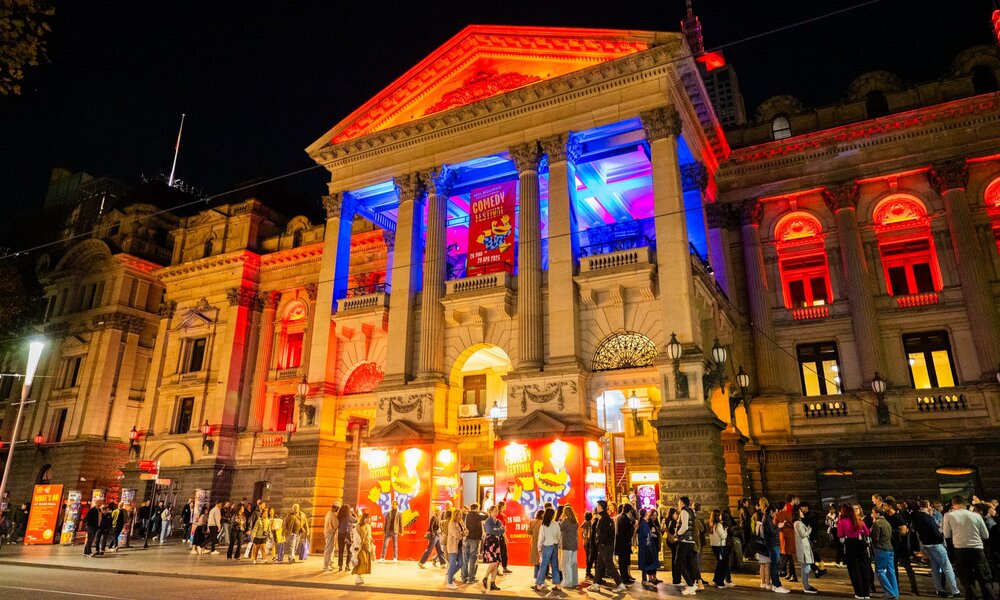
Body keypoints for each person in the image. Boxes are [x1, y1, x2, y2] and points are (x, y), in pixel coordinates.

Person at [943, 496, 995, 600]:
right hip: (977, 549)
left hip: (960, 550)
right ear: (964, 503)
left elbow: (947, 534)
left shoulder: (948, 516)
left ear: (953, 505)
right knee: (984, 579)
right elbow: (985, 535)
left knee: (967, 581)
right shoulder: (976, 516)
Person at [911, 499, 961, 597]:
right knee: (947, 567)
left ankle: (939, 589)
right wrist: (941, 536)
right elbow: (935, 532)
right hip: (935, 544)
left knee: (935, 568)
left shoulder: (917, 516)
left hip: (927, 544)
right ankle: (955, 591)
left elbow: (915, 529)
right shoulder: (927, 517)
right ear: (927, 505)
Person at [588, 500, 626, 594]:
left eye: (598, 505)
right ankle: (596, 584)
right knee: (599, 565)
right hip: (605, 545)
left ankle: (620, 584)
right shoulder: (606, 518)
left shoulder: (603, 519)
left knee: (609, 566)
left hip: (604, 546)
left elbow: (602, 534)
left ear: (601, 507)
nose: (596, 507)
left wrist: (598, 541)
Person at [883, 498, 918, 597]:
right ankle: (895, 588)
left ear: (889, 506)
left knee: (908, 568)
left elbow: (904, 531)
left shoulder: (898, 516)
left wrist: (891, 531)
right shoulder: (885, 516)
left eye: (885, 505)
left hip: (901, 546)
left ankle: (914, 589)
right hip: (891, 546)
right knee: (892, 569)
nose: (883, 507)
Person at [838, 502, 872, 600]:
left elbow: (840, 535)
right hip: (861, 544)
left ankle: (859, 593)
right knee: (864, 569)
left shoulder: (842, 521)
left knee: (854, 570)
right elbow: (867, 532)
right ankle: (866, 593)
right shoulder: (859, 520)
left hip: (850, 545)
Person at [675, 496, 704, 596]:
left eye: (679, 501)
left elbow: (685, 526)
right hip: (691, 541)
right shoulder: (690, 511)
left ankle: (691, 585)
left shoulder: (684, 511)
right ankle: (691, 586)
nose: (678, 503)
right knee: (690, 563)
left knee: (678, 562)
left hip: (684, 540)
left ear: (682, 502)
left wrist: (678, 533)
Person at [872, 506, 899, 600]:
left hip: (881, 549)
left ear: (877, 514)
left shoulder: (877, 524)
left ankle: (889, 592)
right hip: (890, 549)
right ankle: (895, 593)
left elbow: (875, 538)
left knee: (879, 571)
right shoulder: (887, 523)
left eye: (873, 512)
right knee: (891, 571)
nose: (872, 514)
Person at [534, 507, 562, 591]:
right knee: (555, 566)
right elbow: (559, 536)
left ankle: (539, 584)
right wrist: (559, 544)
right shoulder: (556, 524)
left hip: (547, 547)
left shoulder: (544, 525)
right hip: (555, 546)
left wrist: (539, 548)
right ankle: (558, 585)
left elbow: (541, 538)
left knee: (543, 566)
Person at [795, 503, 820, 594]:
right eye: (800, 511)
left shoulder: (799, 522)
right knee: (805, 567)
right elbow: (803, 534)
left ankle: (807, 585)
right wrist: (809, 530)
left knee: (806, 567)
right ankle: (806, 586)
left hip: (804, 546)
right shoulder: (798, 523)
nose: (802, 512)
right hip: (803, 546)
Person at [481, 505, 504, 591]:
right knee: (494, 562)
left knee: (497, 563)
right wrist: (498, 530)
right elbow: (490, 531)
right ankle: (485, 577)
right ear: (490, 512)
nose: (496, 512)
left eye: (497, 510)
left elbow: (503, 530)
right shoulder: (488, 521)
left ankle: (493, 583)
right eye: (495, 510)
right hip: (490, 543)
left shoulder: (498, 521)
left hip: (496, 543)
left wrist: (497, 530)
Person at [775, 495, 798, 583]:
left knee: (787, 556)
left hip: (783, 536)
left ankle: (785, 572)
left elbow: (774, 526)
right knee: (790, 556)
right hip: (791, 535)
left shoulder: (778, 515)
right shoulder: (790, 513)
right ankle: (792, 575)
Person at [638, 508, 662, 590]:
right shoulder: (644, 523)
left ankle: (646, 579)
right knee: (645, 562)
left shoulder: (643, 523)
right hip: (646, 547)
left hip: (646, 546)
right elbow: (646, 535)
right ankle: (645, 580)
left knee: (646, 562)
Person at [464, 503, 487, 583]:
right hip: (475, 539)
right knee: (473, 559)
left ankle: (464, 577)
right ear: (477, 508)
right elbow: (487, 516)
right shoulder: (478, 515)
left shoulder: (468, 515)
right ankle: (471, 578)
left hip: (467, 538)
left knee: (466, 558)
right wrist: (483, 511)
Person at [445, 507, 468, 589]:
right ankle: (449, 582)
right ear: (455, 515)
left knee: (461, 563)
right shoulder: (452, 523)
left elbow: (467, 531)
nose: (460, 516)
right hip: (453, 547)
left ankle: (449, 575)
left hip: (459, 547)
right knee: (452, 564)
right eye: (459, 515)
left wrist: (462, 533)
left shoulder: (461, 522)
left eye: (461, 514)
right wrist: (463, 533)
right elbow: (456, 535)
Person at [709, 508, 731, 589]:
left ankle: (716, 579)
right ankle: (719, 581)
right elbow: (723, 536)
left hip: (714, 545)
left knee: (719, 564)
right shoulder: (718, 525)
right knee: (722, 564)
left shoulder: (711, 524)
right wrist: (725, 530)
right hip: (720, 546)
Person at [560, 505, 580, 590]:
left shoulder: (566, 521)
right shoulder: (575, 521)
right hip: (574, 545)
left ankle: (567, 582)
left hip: (567, 545)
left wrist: (561, 519)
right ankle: (574, 581)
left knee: (566, 564)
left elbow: (559, 528)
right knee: (573, 564)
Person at [615, 503, 637, 585]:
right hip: (623, 544)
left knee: (625, 561)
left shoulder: (622, 518)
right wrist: (633, 528)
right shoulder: (624, 519)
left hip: (623, 544)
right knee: (623, 562)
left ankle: (626, 577)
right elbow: (626, 532)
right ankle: (624, 578)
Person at [353, 512, 373, 585]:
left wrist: (371, 540)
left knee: (365, 562)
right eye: (367, 518)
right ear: (363, 519)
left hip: (366, 546)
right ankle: (358, 577)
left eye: (369, 518)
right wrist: (356, 546)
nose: (368, 519)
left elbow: (369, 536)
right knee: (363, 560)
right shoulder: (358, 526)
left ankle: (360, 576)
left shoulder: (368, 526)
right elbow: (355, 537)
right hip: (360, 546)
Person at [337, 504, 357, 571]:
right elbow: (356, 521)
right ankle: (347, 566)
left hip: (340, 535)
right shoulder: (349, 517)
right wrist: (354, 513)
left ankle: (340, 566)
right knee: (349, 551)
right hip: (348, 536)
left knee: (341, 551)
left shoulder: (339, 517)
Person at [496, 501, 512, 574]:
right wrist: (505, 537)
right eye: (505, 505)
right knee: (500, 553)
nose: (506, 506)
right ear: (502, 506)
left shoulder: (502, 515)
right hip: (500, 536)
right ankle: (496, 569)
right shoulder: (499, 515)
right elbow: (501, 528)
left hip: (502, 535)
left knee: (504, 553)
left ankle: (504, 567)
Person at [323, 502, 339, 571]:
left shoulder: (328, 513)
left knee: (330, 549)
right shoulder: (332, 515)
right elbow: (336, 525)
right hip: (330, 532)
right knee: (329, 549)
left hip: (328, 532)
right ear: (336, 508)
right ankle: (326, 565)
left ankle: (329, 563)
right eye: (338, 508)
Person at [582, 511, 595, 581]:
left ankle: (588, 572)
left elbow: (583, 533)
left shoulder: (584, 523)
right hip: (589, 542)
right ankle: (588, 572)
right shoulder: (590, 523)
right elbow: (589, 534)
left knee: (587, 557)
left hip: (585, 542)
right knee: (590, 557)